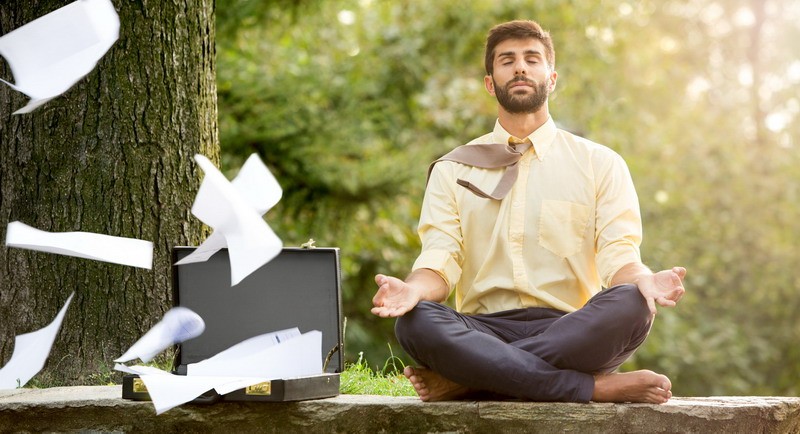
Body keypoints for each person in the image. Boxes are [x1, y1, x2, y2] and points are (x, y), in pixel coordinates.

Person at [371, 19, 686, 404]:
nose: (520, 67)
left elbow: (619, 254)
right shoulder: (453, 169)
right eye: (507, 60)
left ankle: (472, 382)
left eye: (531, 59)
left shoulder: (600, 163)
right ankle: (592, 388)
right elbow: (440, 258)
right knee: (416, 321)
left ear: (551, 78)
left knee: (632, 303)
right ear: (490, 83)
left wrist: (645, 279)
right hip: (481, 331)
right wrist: (412, 290)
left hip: (572, 330)